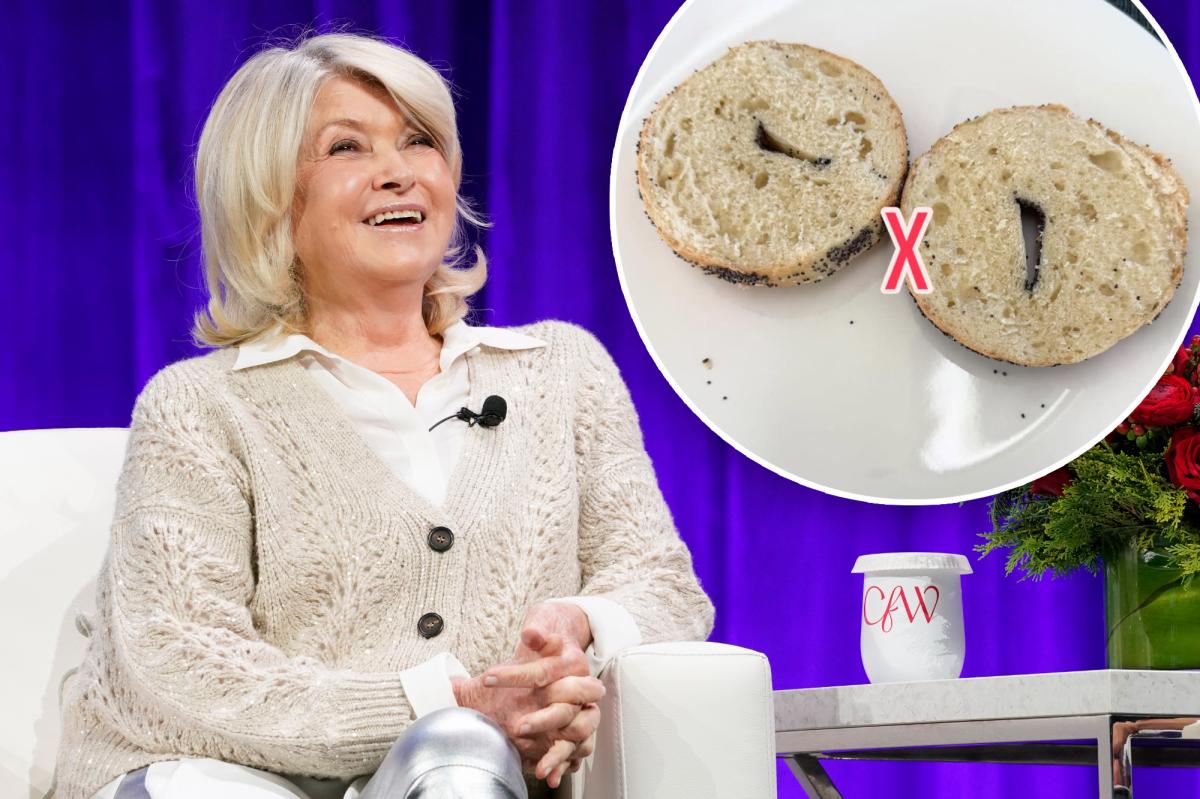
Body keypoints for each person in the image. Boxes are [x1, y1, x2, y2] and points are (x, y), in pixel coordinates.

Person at [49, 29, 714, 799]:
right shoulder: (200, 406)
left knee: (463, 757)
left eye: (418, 141)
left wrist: (577, 626)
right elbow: (182, 663)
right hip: (231, 780)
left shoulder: (562, 371)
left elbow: (662, 584)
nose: (398, 172)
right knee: (455, 743)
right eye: (347, 148)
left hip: (474, 778)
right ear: (271, 194)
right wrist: (447, 703)